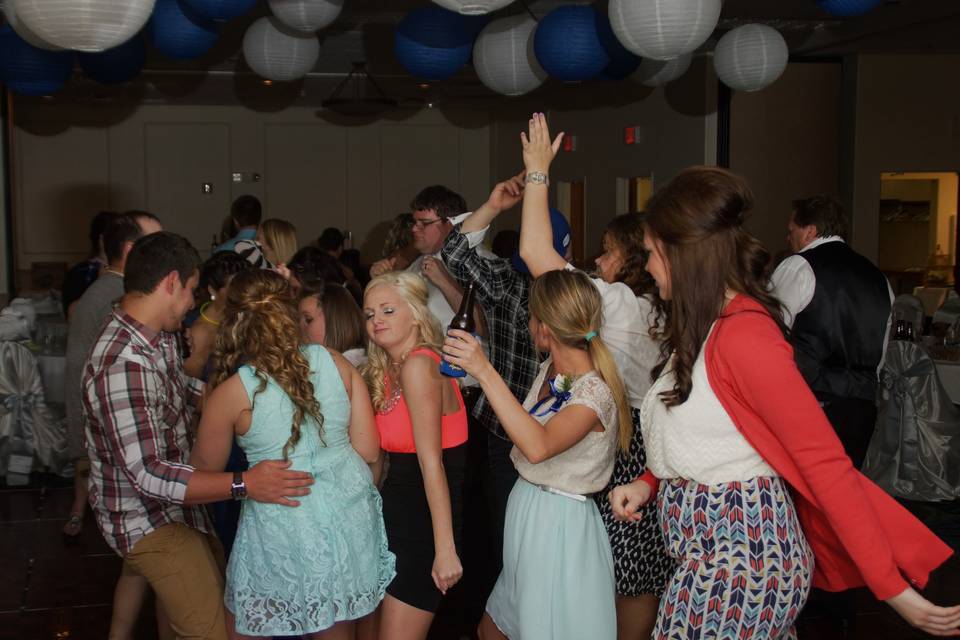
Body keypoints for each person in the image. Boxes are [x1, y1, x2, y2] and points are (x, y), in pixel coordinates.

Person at [606, 165, 958, 638]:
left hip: (740, 559)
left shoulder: (745, 333)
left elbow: (824, 463)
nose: (646, 266)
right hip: (708, 553)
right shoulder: (708, 325)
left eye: (650, 253)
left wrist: (891, 588)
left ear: (680, 254)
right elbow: (713, 435)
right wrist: (650, 483)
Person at [82, 231, 316, 639]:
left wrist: (243, 400)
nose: (193, 303)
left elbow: (182, 393)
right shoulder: (123, 363)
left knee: (211, 606)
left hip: (177, 508)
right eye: (191, 290)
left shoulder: (155, 338)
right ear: (171, 283)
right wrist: (246, 483)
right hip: (147, 518)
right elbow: (150, 475)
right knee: (215, 629)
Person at [519, 115, 672, 639]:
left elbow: (535, 255)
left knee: (623, 578)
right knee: (626, 577)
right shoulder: (654, 308)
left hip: (622, 449)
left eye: (609, 250)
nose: (600, 259)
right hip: (644, 447)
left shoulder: (620, 306)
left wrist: (538, 172)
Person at [190, 269, 395, 638]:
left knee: (245, 625)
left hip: (285, 519)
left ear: (234, 323)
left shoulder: (232, 394)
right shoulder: (336, 362)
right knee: (334, 625)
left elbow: (199, 479)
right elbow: (367, 448)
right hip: (347, 515)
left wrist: (244, 484)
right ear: (290, 315)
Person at [442, 269, 631, 640]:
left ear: (544, 328)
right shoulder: (550, 370)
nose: (528, 324)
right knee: (492, 629)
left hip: (559, 524)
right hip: (528, 510)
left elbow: (538, 446)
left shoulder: (595, 393)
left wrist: (484, 371)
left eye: (531, 316)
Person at [361, 272, 467, 640]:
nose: (377, 320)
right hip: (397, 517)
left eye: (388, 310)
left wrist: (445, 549)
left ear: (416, 313)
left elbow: (431, 464)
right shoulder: (389, 367)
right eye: (370, 313)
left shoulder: (419, 365)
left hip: (423, 524)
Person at [770, 195, 894, 469]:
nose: (788, 238)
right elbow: (882, 350)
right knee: (844, 491)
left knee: (802, 495)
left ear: (810, 231)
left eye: (791, 231)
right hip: (861, 406)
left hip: (810, 402)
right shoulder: (878, 277)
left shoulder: (798, 266)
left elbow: (769, 333)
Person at [183, 252, 251, 380]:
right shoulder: (199, 332)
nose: (242, 293)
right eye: (234, 287)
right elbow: (190, 386)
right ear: (212, 290)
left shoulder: (240, 317)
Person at [299, 279, 368, 367]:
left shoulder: (342, 369)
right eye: (298, 320)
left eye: (308, 319)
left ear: (335, 321)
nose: (300, 327)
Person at [61, 210, 117, 317]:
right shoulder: (80, 273)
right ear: (102, 239)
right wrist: (101, 285)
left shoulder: (132, 270)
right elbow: (72, 317)